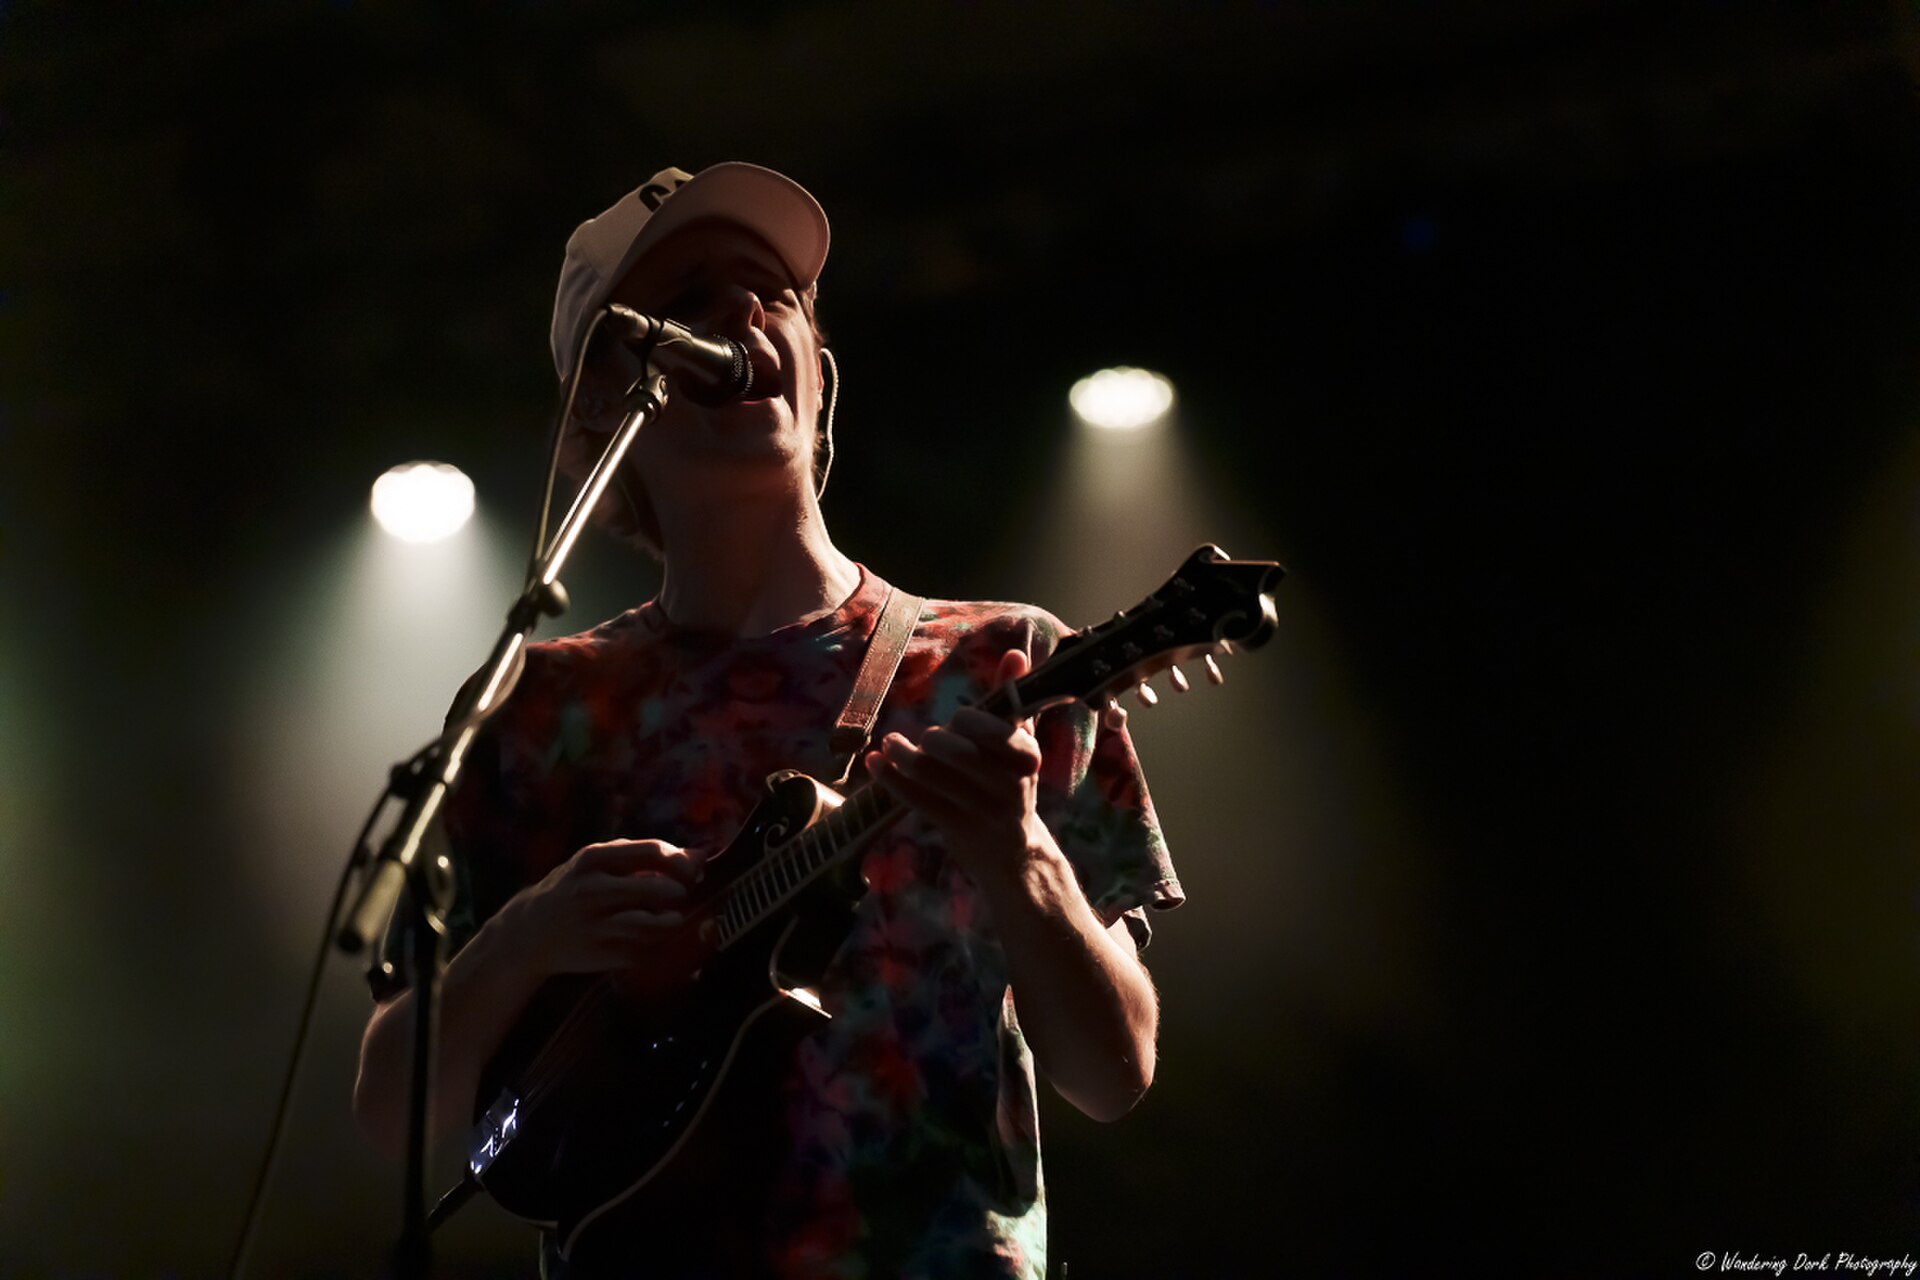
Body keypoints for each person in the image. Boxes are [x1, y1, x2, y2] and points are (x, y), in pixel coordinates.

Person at [353, 162, 1183, 1280]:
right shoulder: (535, 708)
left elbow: (1114, 1068)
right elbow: (391, 1109)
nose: (740, 314)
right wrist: (531, 932)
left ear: (819, 375)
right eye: (686, 299)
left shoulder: (1005, 663)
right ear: (600, 410)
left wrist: (1018, 852)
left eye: (772, 292)